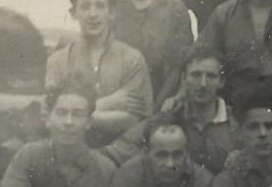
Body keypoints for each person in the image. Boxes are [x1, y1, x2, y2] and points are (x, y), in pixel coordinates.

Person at [45, 0, 153, 145]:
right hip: (69, 151)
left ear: (111, 12)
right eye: (85, 6)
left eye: (100, 6)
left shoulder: (132, 59)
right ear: (73, 13)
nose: (93, 14)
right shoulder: (57, 61)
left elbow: (135, 119)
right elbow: (51, 114)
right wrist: (109, 102)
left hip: (118, 154)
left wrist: (77, 114)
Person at [102, 46, 238, 175]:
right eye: (196, 75)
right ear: (184, 79)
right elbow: (115, 152)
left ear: (222, 82)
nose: (203, 84)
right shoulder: (170, 116)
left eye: (211, 76)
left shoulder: (236, 124)